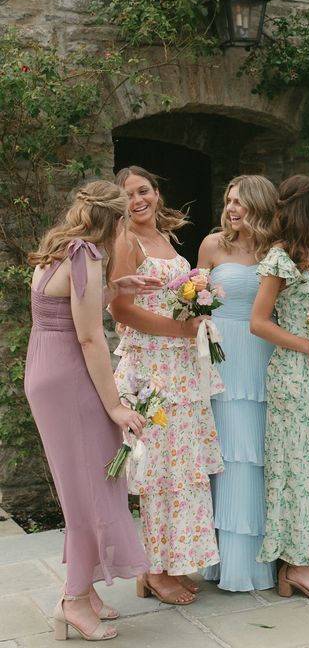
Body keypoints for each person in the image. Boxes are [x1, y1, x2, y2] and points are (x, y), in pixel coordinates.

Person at [25, 181, 156, 641]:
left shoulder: (59, 248)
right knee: (90, 489)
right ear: (116, 220)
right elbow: (89, 336)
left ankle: (87, 588)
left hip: (46, 370)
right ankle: (74, 600)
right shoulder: (88, 256)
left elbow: (59, 308)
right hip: (71, 378)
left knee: (84, 483)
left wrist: (116, 286)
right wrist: (116, 405)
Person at [110, 166, 224, 606]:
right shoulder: (126, 242)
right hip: (152, 369)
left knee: (181, 471)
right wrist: (177, 330)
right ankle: (154, 571)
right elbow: (120, 308)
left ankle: (171, 564)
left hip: (181, 369)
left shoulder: (166, 240)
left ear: (157, 194)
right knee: (159, 474)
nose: (138, 200)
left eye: (144, 191)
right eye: (129, 196)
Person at [249, 175, 309, 599]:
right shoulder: (279, 260)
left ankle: (295, 564)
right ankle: (299, 566)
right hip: (292, 371)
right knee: (299, 467)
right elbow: (259, 322)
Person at [197, 175, 278, 592]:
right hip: (222, 356)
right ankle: (224, 561)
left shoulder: (276, 250)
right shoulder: (213, 246)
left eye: (241, 203)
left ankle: (259, 559)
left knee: (259, 454)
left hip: (262, 355)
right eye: (229, 201)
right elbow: (194, 303)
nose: (232, 209)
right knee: (229, 454)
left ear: (259, 206)